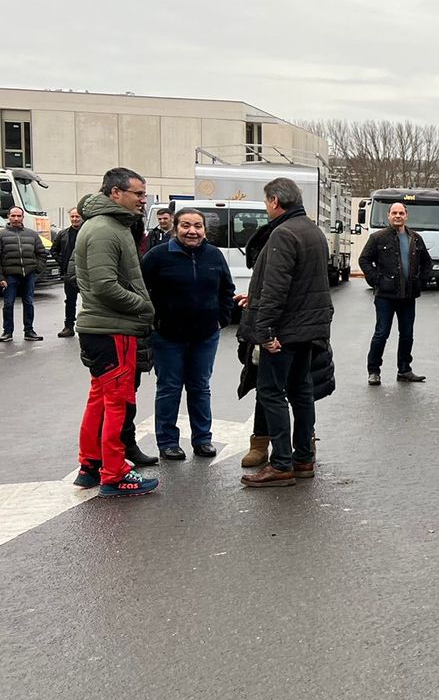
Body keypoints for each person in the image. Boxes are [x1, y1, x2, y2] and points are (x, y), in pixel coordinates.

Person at [239, 177, 334, 488]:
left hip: (284, 331)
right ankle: (303, 457)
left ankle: (281, 464)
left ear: (275, 202)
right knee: (301, 393)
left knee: (271, 392)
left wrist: (265, 330)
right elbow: (303, 283)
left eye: (267, 202)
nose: (267, 208)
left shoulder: (283, 232)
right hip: (308, 328)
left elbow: (276, 288)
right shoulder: (313, 231)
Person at [72, 168, 159, 497]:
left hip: (105, 328)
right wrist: (144, 307)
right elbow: (106, 286)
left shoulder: (109, 225)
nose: (143, 200)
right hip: (112, 329)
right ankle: (115, 473)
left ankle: (90, 466)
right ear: (115, 193)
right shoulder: (107, 230)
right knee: (117, 401)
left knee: (99, 398)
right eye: (138, 193)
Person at [140, 206, 237, 460]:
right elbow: (140, 290)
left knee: (200, 388)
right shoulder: (157, 256)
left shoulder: (214, 255)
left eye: (197, 226)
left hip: (205, 336)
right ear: (175, 227)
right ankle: (168, 442)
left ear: (205, 230)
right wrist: (153, 320)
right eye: (186, 226)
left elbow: (227, 289)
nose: (192, 231)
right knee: (169, 388)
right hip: (168, 336)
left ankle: (202, 439)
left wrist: (221, 319)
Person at [359, 202, 431, 385]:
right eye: (394, 213)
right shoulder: (378, 238)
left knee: (407, 334)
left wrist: (420, 281)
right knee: (381, 333)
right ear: (388, 216)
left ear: (406, 216)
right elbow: (364, 260)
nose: (398, 216)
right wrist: (376, 280)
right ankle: (374, 371)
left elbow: (427, 263)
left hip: (408, 295)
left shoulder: (415, 238)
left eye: (401, 213)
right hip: (385, 296)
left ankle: (404, 370)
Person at [2, 204, 48, 341]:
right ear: (8, 217)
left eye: (18, 216)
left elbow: (41, 253)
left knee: (28, 302)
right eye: (13, 216)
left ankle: (29, 331)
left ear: (22, 217)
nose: (16, 218)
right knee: (8, 304)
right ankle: (7, 332)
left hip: (28, 275)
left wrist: (37, 270)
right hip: (10, 275)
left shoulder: (32, 234)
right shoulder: (2, 235)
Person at [52, 207, 82, 337]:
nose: (75, 219)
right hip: (69, 275)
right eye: (72, 217)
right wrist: (63, 263)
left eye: (77, 217)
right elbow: (54, 250)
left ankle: (89, 327)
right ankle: (68, 327)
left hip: (85, 274)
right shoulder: (63, 234)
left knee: (89, 302)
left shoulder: (88, 232)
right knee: (70, 301)